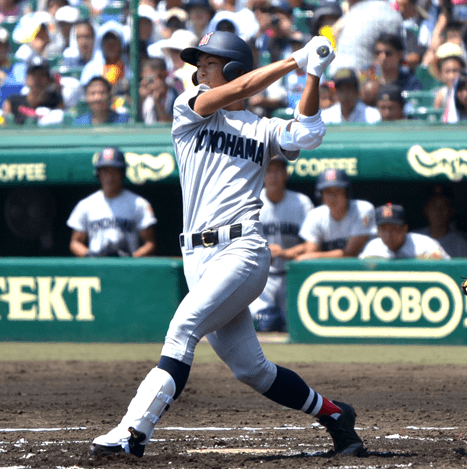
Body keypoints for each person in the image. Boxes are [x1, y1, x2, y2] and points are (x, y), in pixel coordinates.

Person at [88, 31, 364, 458]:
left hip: (242, 250)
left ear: (233, 66)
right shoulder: (189, 108)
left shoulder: (263, 128)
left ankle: (132, 432)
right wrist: (295, 61)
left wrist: (312, 73)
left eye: (209, 62)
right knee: (252, 369)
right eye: (198, 63)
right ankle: (333, 414)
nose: (199, 69)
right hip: (195, 256)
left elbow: (307, 134)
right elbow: (238, 89)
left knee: (182, 331)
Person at [249, 156, 314, 332]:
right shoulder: (251, 201)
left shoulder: (302, 203)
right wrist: (262, 251)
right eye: (269, 170)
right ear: (261, 174)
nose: (273, 175)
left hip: (291, 276)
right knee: (266, 322)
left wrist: (287, 252)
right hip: (261, 278)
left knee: (294, 325)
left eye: (278, 170)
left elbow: (313, 244)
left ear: (286, 174)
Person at [67, 147, 157, 258]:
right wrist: (90, 255)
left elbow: (150, 243)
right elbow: (75, 242)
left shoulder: (139, 204)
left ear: (122, 173)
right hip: (96, 266)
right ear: (98, 174)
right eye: (105, 171)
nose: (109, 177)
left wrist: (132, 258)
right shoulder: (85, 204)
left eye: (114, 171)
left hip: (128, 267)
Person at [275, 168, 376, 260]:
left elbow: (351, 253)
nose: (333, 197)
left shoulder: (363, 209)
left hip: (365, 271)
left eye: (338, 191)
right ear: (320, 196)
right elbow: (311, 250)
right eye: (328, 192)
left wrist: (314, 256)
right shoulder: (315, 215)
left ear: (347, 192)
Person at [359, 203, 450, 259]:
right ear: (378, 231)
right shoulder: (372, 248)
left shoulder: (425, 245)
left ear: (404, 229)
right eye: (384, 229)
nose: (388, 234)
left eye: (394, 229)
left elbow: (450, 267)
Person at [416, 184, 467, 257]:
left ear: (451, 210)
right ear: (426, 209)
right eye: (434, 206)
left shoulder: (461, 245)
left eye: (444, 206)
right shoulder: (414, 239)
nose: (438, 211)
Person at [139, 57, 178, 124]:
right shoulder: (143, 95)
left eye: (151, 80)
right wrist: (141, 99)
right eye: (144, 78)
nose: (146, 83)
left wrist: (157, 102)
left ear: (164, 75)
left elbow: (168, 123)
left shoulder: (174, 94)